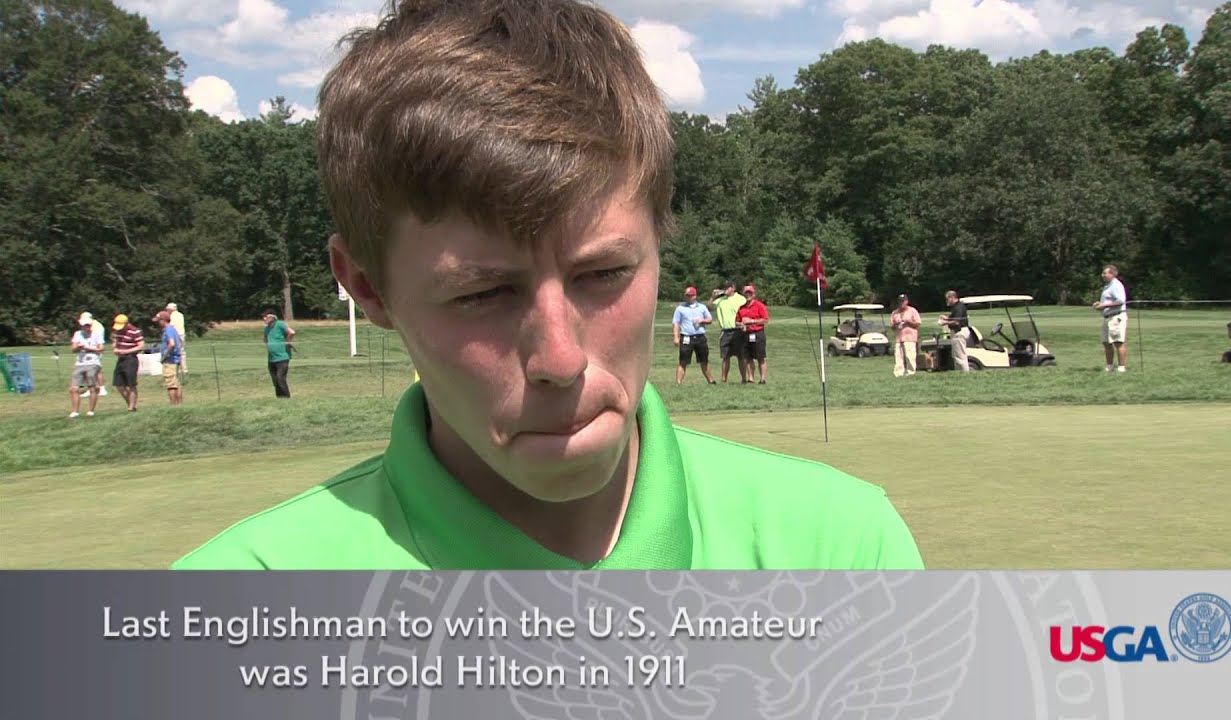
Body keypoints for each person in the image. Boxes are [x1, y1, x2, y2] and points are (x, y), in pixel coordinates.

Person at [172, 0, 922, 571]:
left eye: (603, 275)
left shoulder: (841, 548)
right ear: (368, 289)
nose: (559, 360)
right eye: (482, 295)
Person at [671, 286, 715, 385]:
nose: (688, 297)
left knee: (704, 360)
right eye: (687, 295)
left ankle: (711, 381)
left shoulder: (702, 307)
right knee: (683, 361)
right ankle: (678, 383)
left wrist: (702, 320)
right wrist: (676, 337)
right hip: (686, 337)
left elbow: (710, 319)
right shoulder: (680, 308)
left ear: (695, 296)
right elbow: (676, 323)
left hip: (700, 337)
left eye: (690, 295)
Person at [710, 281, 748, 383]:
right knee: (725, 356)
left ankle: (744, 379)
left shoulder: (740, 299)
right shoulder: (720, 300)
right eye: (724, 287)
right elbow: (709, 308)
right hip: (725, 331)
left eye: (728, 287)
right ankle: (724, 379)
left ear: (733, 288)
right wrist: (712, 297)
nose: (725, 289)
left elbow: (747, 311)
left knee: (741, 356)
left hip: (738, 330)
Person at [1093, 264, 1127, 373]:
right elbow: (1109, 301)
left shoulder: (1116, 285)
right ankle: (1109, 366)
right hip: (1107, 317)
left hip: (1116, 317)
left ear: (1112, 274)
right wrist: (1100, 304)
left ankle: (1121, 367)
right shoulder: (1108, 286)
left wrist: (1104, 306)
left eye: (1105, 273)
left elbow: (1120, 301)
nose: (1102, 275)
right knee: (1106, 342)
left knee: (1118, 342)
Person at [68, 313, 103, 418]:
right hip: (80, 363)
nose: (86, 327)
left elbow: (101, 348)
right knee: (73, 388)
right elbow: (73, 349)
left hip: (93, 362)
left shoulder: (96, 334)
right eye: (84, 325)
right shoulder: (77, 334)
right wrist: (78, 347)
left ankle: (91, 411)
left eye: (88, 325)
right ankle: (75, 411)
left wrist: (89, 348)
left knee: (92, 387)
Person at [735, 285, 770, 384]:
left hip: (758, 333)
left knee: (760, 357)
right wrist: (741, 324)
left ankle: (762, 379)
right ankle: (751, 378)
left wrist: (752, 321)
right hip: (746, 334)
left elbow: (765, 320)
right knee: (748, 357)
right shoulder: (741, 308)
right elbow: (736, 321)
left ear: (753, 294)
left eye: (750, 293)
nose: (748, 295)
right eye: (746, 293)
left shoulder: (759, 306)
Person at [110, 314, 144, 412]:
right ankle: (130, 404)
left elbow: (141, 346)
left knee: (131, 384)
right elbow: (115, 341)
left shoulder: (134, 331)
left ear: (126, 323)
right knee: (119, 384)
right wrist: (115, 348)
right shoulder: (117, 331)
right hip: (121, 359)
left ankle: (131, 407)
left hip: (131, 359)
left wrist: (127, 351)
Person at [262, 309, 295, 398]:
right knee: (275, 380)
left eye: (266, 316)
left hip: (282, 357)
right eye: (263, 317)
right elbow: (264, 339)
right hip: (271, 358)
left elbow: (291, 332)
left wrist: (288, 342)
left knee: (280, 378)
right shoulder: (266, 328)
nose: (264, 318)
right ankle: (280, 398)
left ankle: (286, 398)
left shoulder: (280, 324)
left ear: (272, 317)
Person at [153, 310, 183, 405]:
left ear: (163, 320)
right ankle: (179, 405)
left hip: (170, 361)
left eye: (158, 320)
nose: (157, 323)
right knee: (176, 383)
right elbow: (180, 342)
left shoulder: (168, 330)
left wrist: (165, 356)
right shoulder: (173, 329)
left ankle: (173, 405)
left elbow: (171, 344)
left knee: (171, 385)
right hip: (176, 359)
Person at [77, 312, 109, 398]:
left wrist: (87, 346)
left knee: (95, 370)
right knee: (94, 370)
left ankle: (99, 388)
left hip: (94, 351)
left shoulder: (96, 326)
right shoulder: (96, 325)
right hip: (92, 350)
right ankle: (94, 388)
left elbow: (95, 339)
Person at [939, 290, 971, 372]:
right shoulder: (957, 307)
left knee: (960, 355)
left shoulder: (958, 307)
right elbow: (955, 319)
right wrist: (947, 318)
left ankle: (964, 373)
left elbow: (957, 321)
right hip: (958, 332)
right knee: (957, 354)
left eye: (947, 299)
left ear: (952, 298)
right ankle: (960, 372)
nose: (947, 301)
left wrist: (944, 322)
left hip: (959, 332)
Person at [891, 294, 921, 377]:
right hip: (899, 338)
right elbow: (892, 326)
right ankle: (898, 373)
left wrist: (909, 322)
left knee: (910, 356)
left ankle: (911, 372)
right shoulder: (895, 312)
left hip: (910, 337)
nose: (901, 303)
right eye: (900, 301)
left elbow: (918, 324)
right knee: (898, 356)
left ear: (907, 301)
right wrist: (895, 324)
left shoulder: (912, 311)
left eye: (903, 301)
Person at [166, 302, 188, 374]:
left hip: (175, 335)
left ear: (170, 309)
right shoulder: (181, 315)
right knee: (182, 352)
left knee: (175, 352)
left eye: (168, 309)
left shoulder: (171, 316)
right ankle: (184, 369)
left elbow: (171, 326)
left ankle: (176, 370)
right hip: (182, 334)